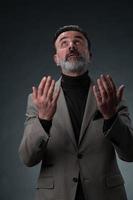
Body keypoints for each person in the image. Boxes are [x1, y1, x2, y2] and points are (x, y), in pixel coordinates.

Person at [19, 25, 133, 200]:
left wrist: (111, 118)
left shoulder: (112, 96)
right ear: (56, 58)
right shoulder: (38, 100)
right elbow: (28, 158)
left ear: (90, 56)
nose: (71, 46)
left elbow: (130, 153)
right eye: (64, 43)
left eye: (78, 42)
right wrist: (43, 120)